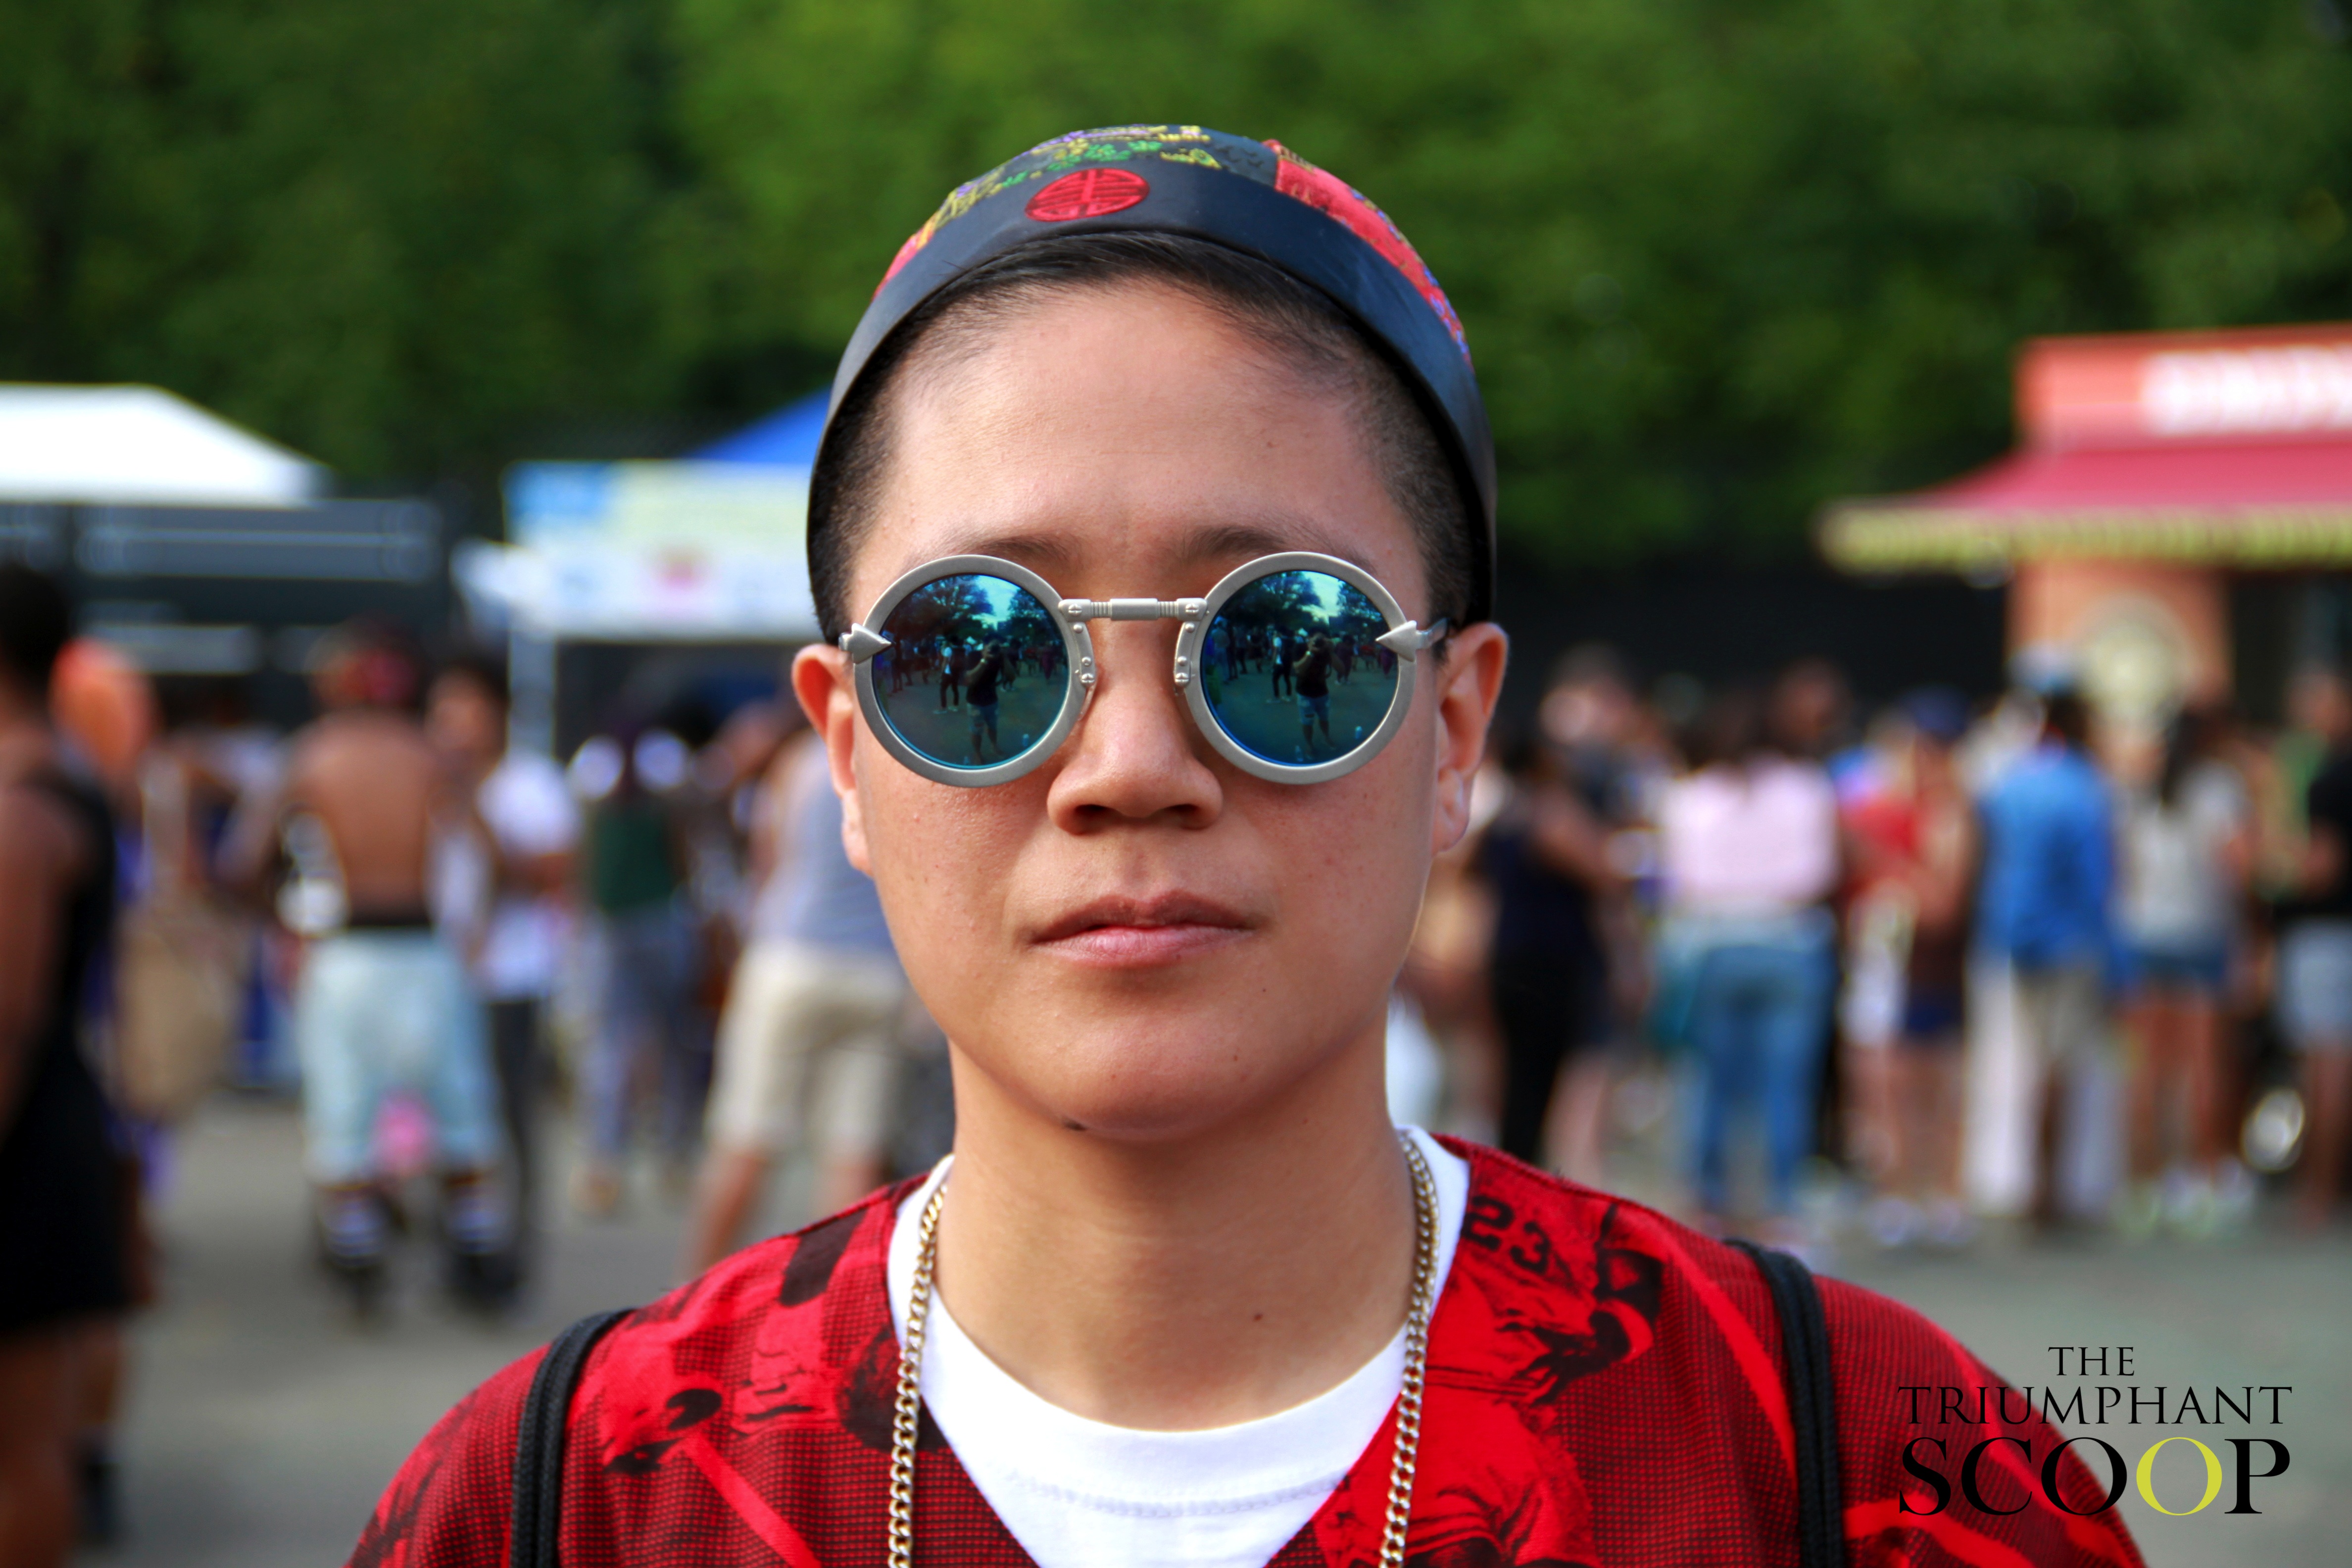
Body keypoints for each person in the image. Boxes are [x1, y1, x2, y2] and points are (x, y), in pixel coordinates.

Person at [352, 125, 2135, 1568]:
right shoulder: (563, 1503)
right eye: (984, 658)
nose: (1130, 767)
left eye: (1286, 646)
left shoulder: (1857, 1479)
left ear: (1452, 733)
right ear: (844, 749)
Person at [224, 620, 510, 1312]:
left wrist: (284, 916)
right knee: (462, 1114)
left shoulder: (311, 756)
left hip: (345, 953)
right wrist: (475, 928)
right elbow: (493, 857)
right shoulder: (431, 756)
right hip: (427, 952)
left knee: (343, 1118)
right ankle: (474, 1258)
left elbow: (238, 863)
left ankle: (357, 1264)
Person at [0, 566, 132, 1568]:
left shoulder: (21, 805)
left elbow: (7, 1021)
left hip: (22, 1146)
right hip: (49, 1130)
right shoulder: (60, 781)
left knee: (19, 1449)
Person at [682, 732, 909, 1274]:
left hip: (794, 958)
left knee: (748, 1135)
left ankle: (690, 1289)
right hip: (879, 969)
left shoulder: (801, 761)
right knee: (853, 1150)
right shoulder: (910, 755)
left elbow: (771, 862)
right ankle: (841, 1310)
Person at [1658, 683, 1842, 1246]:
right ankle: (1780, 1206)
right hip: (1789, 944)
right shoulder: (1807, 789)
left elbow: (1681, 880)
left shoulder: (1690, 796)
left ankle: (1705, 1200)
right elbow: (1816, 875)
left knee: (1708, 1082)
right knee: (1784, 1085)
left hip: (1712, 944)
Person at [425, 652, 581, 1266]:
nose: (453, 723)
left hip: (511, 981)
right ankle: (459, 1247)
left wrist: (480, 819)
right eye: (443, 709)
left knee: (507, 1121)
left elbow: (555, 873)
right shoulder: (427, 784)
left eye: (466, 707)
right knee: (446, 1122)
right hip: (442, 977)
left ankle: (510, 1253)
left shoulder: (529, 784)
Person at [1839, 690, 1975, 1249]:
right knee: (1880, 1086)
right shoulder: (1871, 805)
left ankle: (1940, 1199)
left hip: (1930, 973)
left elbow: (1944, 906)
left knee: (1931, 1089)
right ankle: (1895, 1197)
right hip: (1881, 965)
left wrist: (1887, 863)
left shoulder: (1953, 815)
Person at [1974, 689, 2115, 1227]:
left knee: (2030, 1063)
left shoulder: (2010, 783)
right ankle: (2048, 1192)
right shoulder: (2082, 787)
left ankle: (2032, 1184)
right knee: (2063, 1067)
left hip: (2013, 941)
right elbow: (2095, 882)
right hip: (2069, 944)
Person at [2113, 706, 2251, 1236]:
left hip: (2144, 935)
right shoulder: (2218, 788)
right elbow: (2237, 866)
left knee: (2149, 1068)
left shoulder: (2140, 790)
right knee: (2203, 1066)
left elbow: (2124, 868)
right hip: (2199, 936)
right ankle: (2204, 1178)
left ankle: (2146, 1182)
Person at [570, 726, 703, 1217]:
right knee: (664, 1042)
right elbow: (683, 845)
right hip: (652, 918)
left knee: (614, 1046)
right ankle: (661, 1158)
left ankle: (609, 1165)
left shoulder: (594, 768)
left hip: (621, 920)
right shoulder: (663, 766)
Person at [1480, 735, 1618, 1182]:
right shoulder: (1551, 815)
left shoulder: (1504, 818)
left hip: (1512, 958)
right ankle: (1544, 1176)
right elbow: (1602, 872)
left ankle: (1517, 1171)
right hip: (1554, 966)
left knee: (1521, 1082)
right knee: (1554, 1079)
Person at [2274, 667, 2352, 1229]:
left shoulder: (2329, 779)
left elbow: (2320, 869)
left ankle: (2318, 1192)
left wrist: (2271, 869)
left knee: (2326, 1067)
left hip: (2326, 934)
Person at [1292, 633, 1334, 753]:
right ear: (1309, 639)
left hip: (1323, 693)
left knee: (1325, 719)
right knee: (1307, 722)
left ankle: (1327, 738)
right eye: (1316, 640)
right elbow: (1297, 668)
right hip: (1305, 694)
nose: (1319, 643)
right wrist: (1310, 653)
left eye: (1322, 640)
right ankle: (1309, 744)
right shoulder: (1300, 648)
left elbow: (1341, 669)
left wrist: (1332, 651)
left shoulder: (1326, 651)